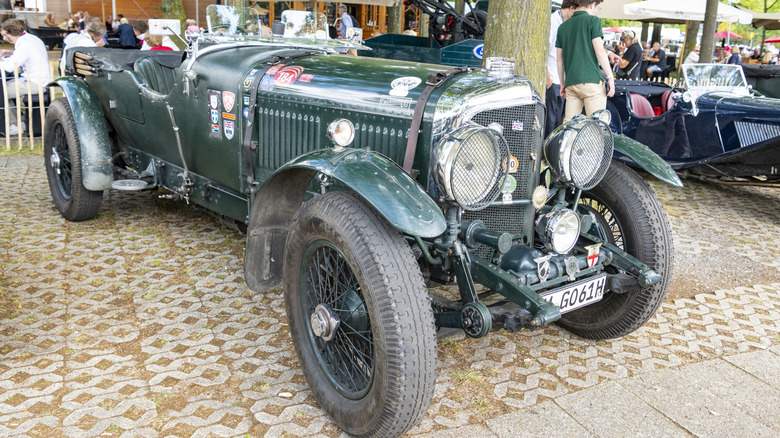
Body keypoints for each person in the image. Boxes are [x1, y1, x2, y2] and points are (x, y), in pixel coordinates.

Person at [555, 0, 615, 122]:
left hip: (571, 83)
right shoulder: (593, 21)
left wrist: (562, 84)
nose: (596, 11)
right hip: (591, 81)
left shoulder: (562, 26)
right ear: (592, 4)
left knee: (570, 127)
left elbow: (559, 60)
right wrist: (610, 77)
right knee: (596, 125)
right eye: (597, 8)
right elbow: (599, 51)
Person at [0, 19, 51, 135]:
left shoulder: (24, 45)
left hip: (35, 83)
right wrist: (8, 54)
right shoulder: (30, 39)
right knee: (4, 88)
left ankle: (15, 125)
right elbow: (18, 58)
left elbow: (9, 67)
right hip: (37, 79)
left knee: (1, 91)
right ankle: (18, 122)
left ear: (11, 33)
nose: (4, 39)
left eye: (4, 35)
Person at [545, 0, 576, 137]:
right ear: (571, 8)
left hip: (562, 79)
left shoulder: (567, 24)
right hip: (551, 77)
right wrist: (547, 77)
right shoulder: (552, 22)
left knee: (558, 119)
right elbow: (545, 50)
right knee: (549, 120)